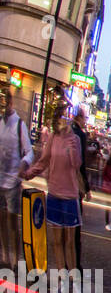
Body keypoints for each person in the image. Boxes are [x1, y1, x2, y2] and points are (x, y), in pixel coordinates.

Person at [22, 99, 83, 273]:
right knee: (56, 240)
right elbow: (44, 160)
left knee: (69, 241)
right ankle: (62, 277)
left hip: (70, 196)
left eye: (62, 117)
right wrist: (29, 173)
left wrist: (71, 146)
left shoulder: (75, 139)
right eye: (57, 118)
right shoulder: (54, 137)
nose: (60, 121)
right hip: (54, 193)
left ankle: (74, 280)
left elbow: (76, 164)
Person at [0, 86, 35, 268]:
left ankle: (14, 259)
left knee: (12, 221)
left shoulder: (19, 124)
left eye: (5, 100)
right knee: (1, 221)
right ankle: (5, 255)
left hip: (13, 181)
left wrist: (24, 164)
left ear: (11, 102)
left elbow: (29, 152)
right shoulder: (0, 122)